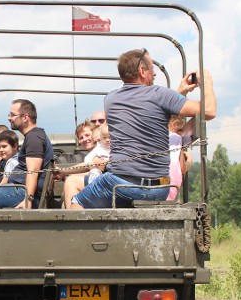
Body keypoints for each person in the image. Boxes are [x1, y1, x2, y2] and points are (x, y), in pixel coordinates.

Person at [70, 49, 215, 209]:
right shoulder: (162, 95)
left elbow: (148, 110)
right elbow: (208, 110)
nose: (154, 74)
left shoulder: (110, 100)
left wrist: (179, 92)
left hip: (119, 185)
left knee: (77, 203)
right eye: (152, 68)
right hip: (159, 189)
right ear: (142, 70)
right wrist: (206, 82)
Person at [0, 99, 53, 209]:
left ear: (25, 117)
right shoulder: (33, 136)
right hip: (16, 189)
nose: (9, 118)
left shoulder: (34, 138)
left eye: (12, 115)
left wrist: (28, 199)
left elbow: (33, 172)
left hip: (20, 191)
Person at [62, 123, 112, 206]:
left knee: (71, 181)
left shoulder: (104, 150)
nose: (85, 139)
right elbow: (87, 166)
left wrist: (64, 172)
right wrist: (63, 172)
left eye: (87, 135)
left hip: (106, 182)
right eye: (81, 138)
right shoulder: (94, 153)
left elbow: (91, 166)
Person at [167, 115, 194, 201]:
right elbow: (182, 168)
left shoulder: (158, 137)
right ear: (174, 124)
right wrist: (189, 160)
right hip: (171, 187)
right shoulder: (177, 138)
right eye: (180, 130)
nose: (182, 134)